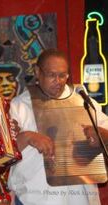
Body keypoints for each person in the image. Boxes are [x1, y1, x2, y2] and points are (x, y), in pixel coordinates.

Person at [8, 48, 108, 205]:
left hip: (80, 197)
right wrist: (28, 137)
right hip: (35, 197)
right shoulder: (19, 106)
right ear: (37, 72)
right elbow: (6, 154)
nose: (58, 81)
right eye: (51, 75)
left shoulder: (83, 102)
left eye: (63, 75)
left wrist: (101, 135)